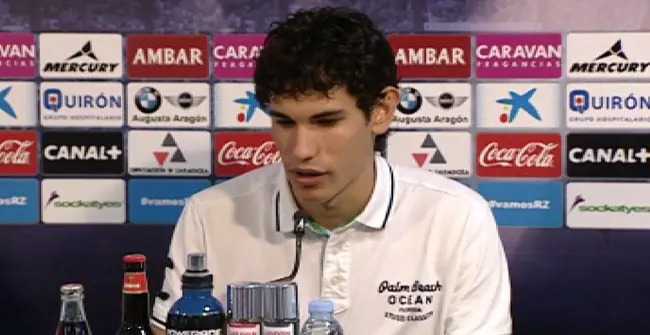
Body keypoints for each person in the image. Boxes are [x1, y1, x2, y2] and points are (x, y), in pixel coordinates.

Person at [150, 6, 512, 335]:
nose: (301, 150)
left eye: (326, 121)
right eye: (284, 122)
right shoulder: (209, 217)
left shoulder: (458, 219)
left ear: (382, 110)